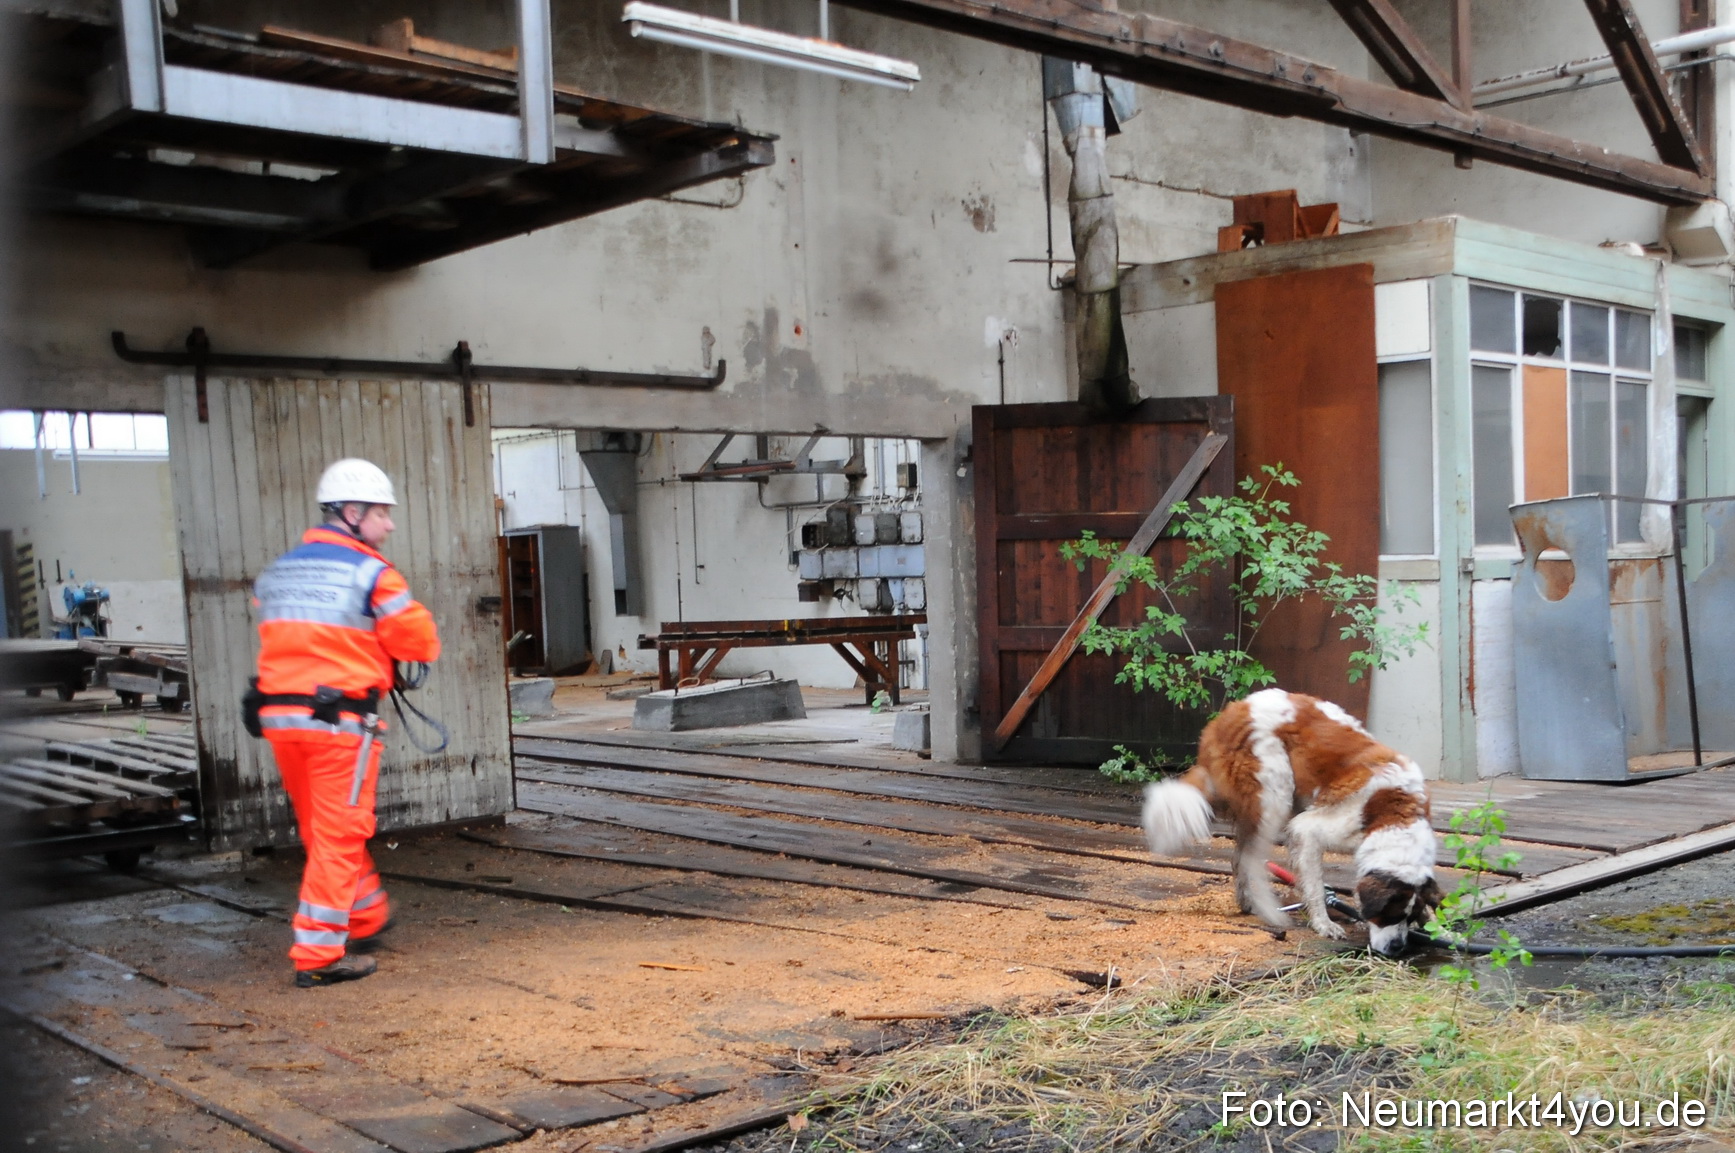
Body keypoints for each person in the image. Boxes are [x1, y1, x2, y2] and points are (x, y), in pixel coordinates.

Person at [247, 459, 440, 987]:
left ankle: (366, 914)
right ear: (352, 513)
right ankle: (318, 956)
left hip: (282, 719)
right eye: (383, 513)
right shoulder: (371, 573)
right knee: (339, 834)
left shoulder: (279, 571)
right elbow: (419, 643)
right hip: (340, 725)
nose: (390, 525)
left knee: (320, 829)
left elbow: (284, 639)